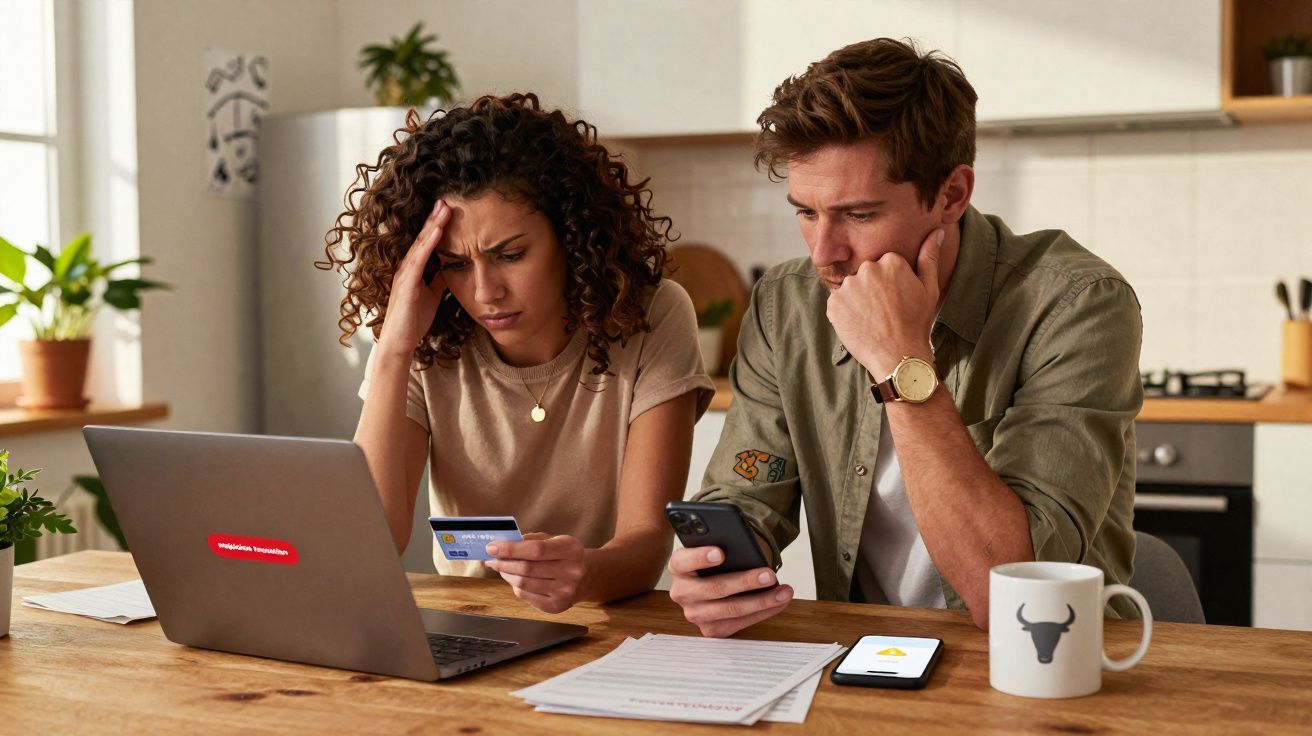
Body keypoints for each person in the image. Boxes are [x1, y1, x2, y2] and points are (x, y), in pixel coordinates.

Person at [667, 38, 1142, 635]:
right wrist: (720, 571)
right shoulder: (787, 303)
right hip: (879, 661)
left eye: (859, 216)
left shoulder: (1077, 303)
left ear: (951, 195)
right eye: (806, 212)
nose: (825, 254)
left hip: (1052, 663)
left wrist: (900, 361)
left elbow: (1016, 599)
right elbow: (746, 494)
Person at [320, 93, 714, 614]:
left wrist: (583, 574)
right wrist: (393, 348)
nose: (485, 292)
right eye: (455, 264)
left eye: (510, 255)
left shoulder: (651, 315)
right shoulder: (425, 338)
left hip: (606, 620)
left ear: (572, 237)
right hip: (470, 621)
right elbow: (368, 540)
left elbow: (645, 546)